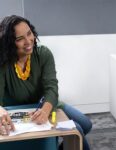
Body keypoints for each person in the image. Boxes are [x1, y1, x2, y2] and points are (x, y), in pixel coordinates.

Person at [0, 15, 92, 150]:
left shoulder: (43, 54)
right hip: (20, 109)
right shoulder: (3, 62)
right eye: (20, 39)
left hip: (46, 103)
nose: (28, 41)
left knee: (86, 124)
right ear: (9, 43)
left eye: (29, 34)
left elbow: (52, 88)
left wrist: (45, 110)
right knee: (76, 129)